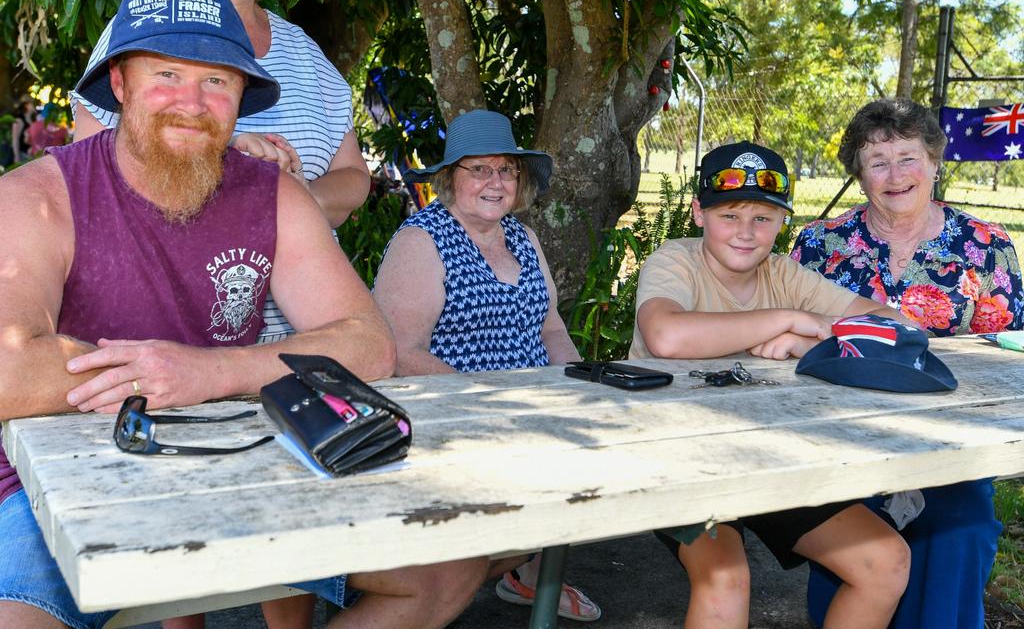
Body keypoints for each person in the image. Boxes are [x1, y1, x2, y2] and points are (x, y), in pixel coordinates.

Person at [0, 0, 487, 629]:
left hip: (232, 462)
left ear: (241, 98)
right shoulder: (40, 197)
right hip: (56, 488)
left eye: (217, 82)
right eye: (167, 74)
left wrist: (211, 372)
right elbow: (9, 372)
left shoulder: (274, 196)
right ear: (119, 83)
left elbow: (367, 343)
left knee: (444, 571)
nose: (192, 102)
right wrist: (156, 375)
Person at [71, 0, 370, 346]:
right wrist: (222, 153)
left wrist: (287, 203)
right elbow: (92, 173)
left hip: (304, 345)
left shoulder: (305, 53)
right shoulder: (146, 28)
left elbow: (354, 176)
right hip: (173, 345)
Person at [631, 140, 912, 629]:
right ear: (698, 213)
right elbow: (667, 335)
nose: (746, 232)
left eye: (762, 218)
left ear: (783, 222)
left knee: (885, 562)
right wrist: (788, 319)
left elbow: (900, 327)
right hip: (679, 456)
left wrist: (807, 341)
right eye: (730, 215)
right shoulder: (675, 261)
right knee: (726, 581)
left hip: (770, 456)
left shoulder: (784, 273)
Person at [792, 98, 1024, 629]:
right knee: (857, 548)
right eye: (878, 162)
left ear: (935, 162)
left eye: (908, 157)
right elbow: (793, 345)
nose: (895, 175)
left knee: (961, 530)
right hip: (841, 448)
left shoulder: (985, 247)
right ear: (859, 174)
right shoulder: (819, 245)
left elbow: (1011, 353)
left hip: (951, 448)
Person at [372, 109, 600, 623]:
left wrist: (584, 387)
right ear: (451, 179)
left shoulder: (522, 237)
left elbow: (551, 329)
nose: (495, 182)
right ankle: (488, 567)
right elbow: (398, 352)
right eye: (479, 169)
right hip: (455, 417)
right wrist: (492, 402)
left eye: (506, 170)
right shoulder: (422, 240)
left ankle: (531, 570)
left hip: (527, 410)